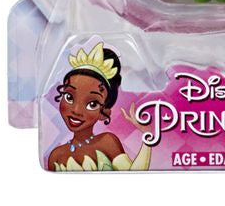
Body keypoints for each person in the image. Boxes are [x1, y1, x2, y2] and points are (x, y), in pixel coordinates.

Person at [47, 42, 151, 171]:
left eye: (92, 104)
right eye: (69, 97)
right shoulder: (56, 156)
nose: (76, 110)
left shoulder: (107, 142)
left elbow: (133, 173)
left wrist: (147, 137)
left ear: (104, 112)